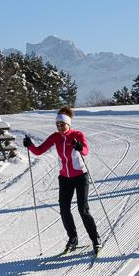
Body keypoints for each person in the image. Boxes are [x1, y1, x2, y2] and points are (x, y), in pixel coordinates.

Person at [23, 106, 101, 255]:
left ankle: (96, 239)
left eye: (62, 124)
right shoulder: (55, 137)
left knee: (82, 210)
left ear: (69, 124)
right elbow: (39, 151)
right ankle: (73, 238)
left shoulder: (77, 135)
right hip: (65, 178)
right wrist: (30, 145)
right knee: (64, 209)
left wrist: (79, 147)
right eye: (57, 124)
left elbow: (85, 150)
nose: (59, 127)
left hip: (80, 176)